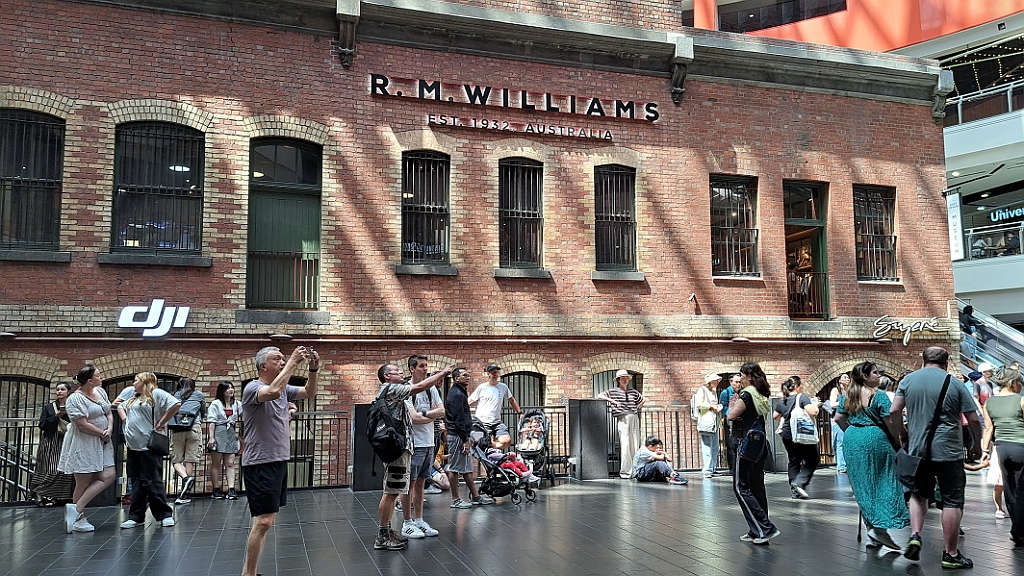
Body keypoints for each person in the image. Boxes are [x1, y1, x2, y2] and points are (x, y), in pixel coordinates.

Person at [890, 346, 981, 569]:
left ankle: (915, 534)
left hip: (918, 451)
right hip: (949, 451)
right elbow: (973, 418)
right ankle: (950, 554)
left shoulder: (908, 381)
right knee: (952, 500)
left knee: (918, 495)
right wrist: (976, 444)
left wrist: (902, 433)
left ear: (923, 361)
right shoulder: (955, 383)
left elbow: (894, 411)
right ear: (946, 362)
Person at [241, 346, 319, 576]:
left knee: (265, 520)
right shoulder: (252, 388)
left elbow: (310, 391)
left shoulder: (284, 389)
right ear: (263, 366)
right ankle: (248, 574)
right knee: (264, 521)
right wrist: (294, 362)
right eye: (278, 359)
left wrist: (313, 369)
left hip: (278, 459)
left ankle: (249, 571)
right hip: (260, 462)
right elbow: (273, 391)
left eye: (284, 359)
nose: (283, 362)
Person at [373, 361, 454, 551]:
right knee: (391, 492)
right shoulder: (392, 388)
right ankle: (382, 535)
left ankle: (387, 531)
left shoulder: (393, 389)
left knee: (394, 491)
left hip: (401, 447)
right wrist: (442, 373)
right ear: (387, 376)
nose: (401, 373)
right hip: (397, 449)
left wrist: (432, 381)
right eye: (396, 371)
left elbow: (428, 405)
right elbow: (419, 388)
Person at [833, 361, 909, 550]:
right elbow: (890, 423)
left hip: (852, 439)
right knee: (883, 482)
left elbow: (838, 418)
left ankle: (871, 533)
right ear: (865, 376)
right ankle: (880, 529)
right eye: (875, 373)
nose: (879, 375)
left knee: (863, 485)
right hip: (875, 438)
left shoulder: (847, 396)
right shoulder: (879, 396)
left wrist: (852, 431)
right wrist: (898, 441)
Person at [116, 372, 180, 529]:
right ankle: (136, 516)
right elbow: (119, 406)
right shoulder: (134, 398)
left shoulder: (156, 394)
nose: (133, 384)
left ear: (145, 382)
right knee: (136, 481)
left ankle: (164, 514)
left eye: (136, 380)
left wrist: (162, 422)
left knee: (152, 481)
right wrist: (125, 419)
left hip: (148, 446)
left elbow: (176, 404)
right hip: (133, 446)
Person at [57, 365, 116, 533]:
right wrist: (101, 433)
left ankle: (76, 508)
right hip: (84, 442)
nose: (101, 377)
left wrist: (109, 429)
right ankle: (79, 518)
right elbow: (81, 424)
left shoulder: (100, 392)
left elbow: (108, 412)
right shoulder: (75, 399)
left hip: (103, 441)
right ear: (90, 380)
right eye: (98, 375)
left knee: (109, 475)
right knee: (84, 481)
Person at [729, 362, 780, 545]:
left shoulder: (747, 394)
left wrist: (732, 404)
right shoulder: (761, 394)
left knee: (741, 487)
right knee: (757, 487)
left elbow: (731, 415)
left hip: (746, 445)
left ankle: (765, 528)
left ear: (749, 376)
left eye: (742, 375)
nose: (740, 379)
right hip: (759, 445)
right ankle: (756, 530)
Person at [399, 354, 446, 540]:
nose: (425, 369)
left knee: (421, 483)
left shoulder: (431, 389)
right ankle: (407, 522)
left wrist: (425, 414)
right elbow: (413, 418)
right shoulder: (406, 389)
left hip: (429, 442)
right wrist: (430, 414)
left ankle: (419, 520)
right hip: (413, 444)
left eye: (426, 365)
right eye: (421, 366)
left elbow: (442, 411)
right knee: (409, 484)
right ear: (412, 369)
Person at [980, 365, 1024, 545]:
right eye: (1020, 382)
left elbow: (988, 428)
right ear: (1013, 383)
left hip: (1002, 448)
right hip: (1021, 446)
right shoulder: (1021, 400)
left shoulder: (989, 403)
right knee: (1022, 488)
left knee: (1010, 488)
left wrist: (984, 451)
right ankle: (1019, 530)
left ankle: (1016, 527)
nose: (1021, 385)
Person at [445, 367, 492, 510]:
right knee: (455, 468)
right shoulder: (456, 394)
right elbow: (458, 419)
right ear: (456, 378)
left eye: (468, 375)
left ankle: (476, 496)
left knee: (467, 468)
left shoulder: (460, 392)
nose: (468, 377)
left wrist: (467, 436)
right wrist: (464, 439)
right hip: (457, 436)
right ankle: (455, 499)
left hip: (461, 435)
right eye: (464, 375)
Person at [772, 375, 820, 499]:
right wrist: (816, 405)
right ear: (797, 386)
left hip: (787, 434)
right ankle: (800, 482)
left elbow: (775, 416)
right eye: (801, 385)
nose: (802, 387)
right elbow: (813, 412)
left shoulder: (783, 400)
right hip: (801, 432)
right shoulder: (802, 397)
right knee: (813, 459)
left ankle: (794, 490)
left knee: (794, 460)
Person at [31, 381, 76, 506]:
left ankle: (58, 497)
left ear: (68, 392)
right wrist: (56, 416)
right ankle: (39, 493)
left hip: (66, 440)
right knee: (49, 469)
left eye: (62, 389)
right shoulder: (49, 407)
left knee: (63, 469)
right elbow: (42, 424)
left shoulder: (72, 407)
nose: (59, 392)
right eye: (58, 389)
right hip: (50, 441)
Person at [596, 369, 644, 479]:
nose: (625, 380)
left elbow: (643, 399)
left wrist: (637, 407)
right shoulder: (613, 391)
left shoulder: (633, 391)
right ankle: (626, 472)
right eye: (623, 378)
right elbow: (600, 395)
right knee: (625, 444)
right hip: (623, 418)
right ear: (618, 380)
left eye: (626, 378)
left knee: (635, 444)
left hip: (634, 417)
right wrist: (613, 401)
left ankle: (635, 471)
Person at [171, 377, 206, 505]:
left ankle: (186, 479)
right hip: (194, 427)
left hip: (177, 428)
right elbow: (203, 411)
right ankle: (185, 493)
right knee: (189, 460)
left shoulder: (175, 395)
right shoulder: (199, 395)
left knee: (176, 460)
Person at [469, 364, 522, 449]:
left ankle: (491, 446)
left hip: (496, 422)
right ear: (488, 374)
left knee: (506, 441)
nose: (495, 374)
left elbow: (512, 400)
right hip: (482, 422)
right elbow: (470, 400)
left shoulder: (503, 387)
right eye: (493, 372)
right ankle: (489, 449)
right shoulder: (482, 387)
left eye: (497, 372)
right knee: (481, 445)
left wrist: (520, 413)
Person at [207, 380, 242, 500]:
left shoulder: (237, 404)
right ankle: (216, 489)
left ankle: (231, 489)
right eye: (227, 388)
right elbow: (212, 421)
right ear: (222, 391)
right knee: (216, 463)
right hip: (219, 432)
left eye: (232, 388)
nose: (231, 390)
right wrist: (211, 437)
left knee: (230, 463)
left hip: (230, 432)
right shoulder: (216, 404)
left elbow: (246, 413)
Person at [694, 373, 723, 478]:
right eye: (715, 380)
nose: (717, 382)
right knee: (707, 446)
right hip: (706, 421)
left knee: (715, 446)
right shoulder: (702, 390)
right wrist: (711, 406)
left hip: (714, 421)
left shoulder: (713, 391)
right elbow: (698, 404)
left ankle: (712, 468)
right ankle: (707, 470)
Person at [828, 373, 849, 473]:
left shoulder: (849, 391)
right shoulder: (835, 390)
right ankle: (841, 465)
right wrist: (845, 402)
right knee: (840, 441)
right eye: (845, 377)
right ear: (839, 380)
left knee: (847, 440)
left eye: (848, 377)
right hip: (838, 418)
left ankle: (847, 464)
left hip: (848, 417)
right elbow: (832, 404)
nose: (847, 379)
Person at [719, 374, 740, 474]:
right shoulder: (725, 393)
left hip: (739, 420)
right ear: (731, 382)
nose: (738, 384)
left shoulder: (742, 392)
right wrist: (731, 414)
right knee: (731, 444)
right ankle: (732, 467)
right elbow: (723, 407)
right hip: (729, 420)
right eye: (736, 382)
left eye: (740, 382)